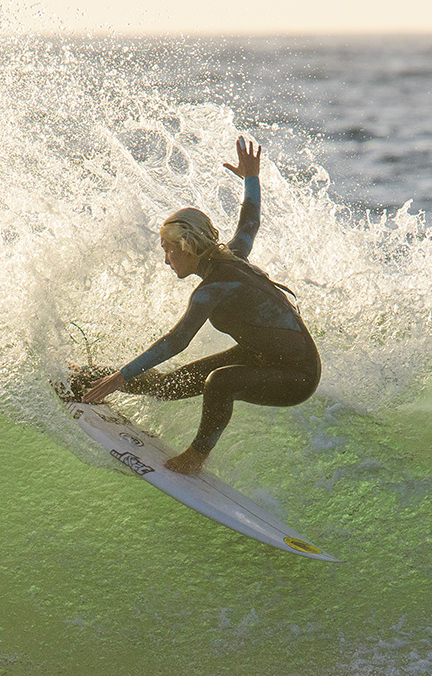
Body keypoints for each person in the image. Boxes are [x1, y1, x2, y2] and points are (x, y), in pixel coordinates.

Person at [80, 136, 321, 474]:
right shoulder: (232, 255)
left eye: (169, 249)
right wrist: (251, 178)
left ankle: (196, 456)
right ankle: (91, 380)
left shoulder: (212, 289)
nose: (166, 259)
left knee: (219, 383)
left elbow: (176, 341)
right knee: (169, 386)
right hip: (260, 355)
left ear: (188, 246)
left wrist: (124, 374)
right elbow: (250, 222)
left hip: (297, 374)